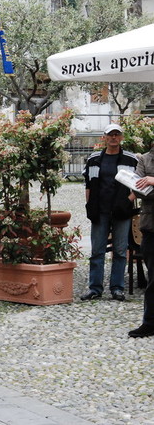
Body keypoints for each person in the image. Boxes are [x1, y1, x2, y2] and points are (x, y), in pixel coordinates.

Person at [81, 123, 138, 302]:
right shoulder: (94, 159)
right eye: (110, 135)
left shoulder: (131, 159)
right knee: (97, 250)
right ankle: (95, 288)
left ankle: (117, 288)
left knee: (121, 251)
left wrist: (127, 201)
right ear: (104, 137)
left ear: (121, 137)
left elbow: (139, 184)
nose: (114, 138)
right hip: (100, 211)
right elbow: (88, 183)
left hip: (122, 211)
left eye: (117, 134)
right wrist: (89, 205)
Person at [129, 141, 154, 337]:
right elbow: (137, 189)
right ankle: (150, 322)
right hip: (151, 227)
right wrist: (146, 185)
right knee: (153, 278)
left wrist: (152, 181)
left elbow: (147, 188)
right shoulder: (144, 159)